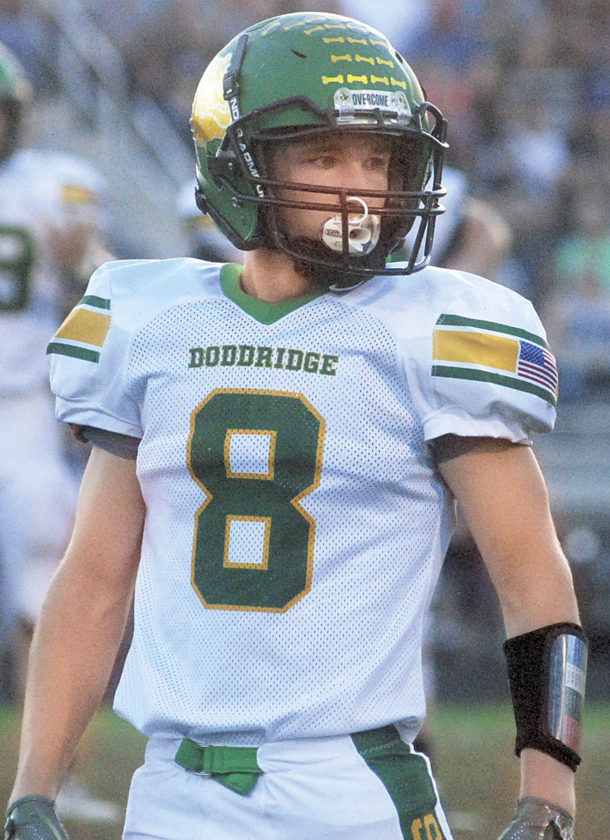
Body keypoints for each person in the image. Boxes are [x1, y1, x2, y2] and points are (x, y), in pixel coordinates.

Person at [5, 12, 586, 840]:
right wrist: (33, 790)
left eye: (377, 159)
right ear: (237, 162)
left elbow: (534, 580)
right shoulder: (150, 322)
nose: (359, 186)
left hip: (352, 791)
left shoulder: (430, 331)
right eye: (323, 156)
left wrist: (549, 794)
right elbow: (93, 582)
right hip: (171, 788)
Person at [0, 42, 121, 824]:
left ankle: (54, 773)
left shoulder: (55, 185)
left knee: (45, 592)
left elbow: (105, 284)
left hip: (21, 406)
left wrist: (82, 263)